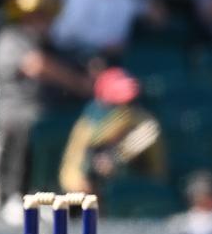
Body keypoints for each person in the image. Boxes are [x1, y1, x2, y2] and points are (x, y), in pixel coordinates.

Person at [0, 0, 93, 224]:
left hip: (48, 108)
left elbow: (71, 64)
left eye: (45, 14)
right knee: (26, 124)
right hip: (15, 108)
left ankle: (52, 197)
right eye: (36, 13)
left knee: (81, 126)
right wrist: (78, 82)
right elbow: (37, 65)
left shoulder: (51, 44)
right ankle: (12, 198)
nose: (42, 19)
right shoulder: (10, 38)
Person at [58, 67, 165, 195]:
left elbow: (158, 174)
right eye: (119, 104)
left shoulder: (143, 123)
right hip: (91, 196)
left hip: (136, 193)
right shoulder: (87, 127)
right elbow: (72, 176)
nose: (126, 110)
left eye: (130, 103)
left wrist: (117, 157)